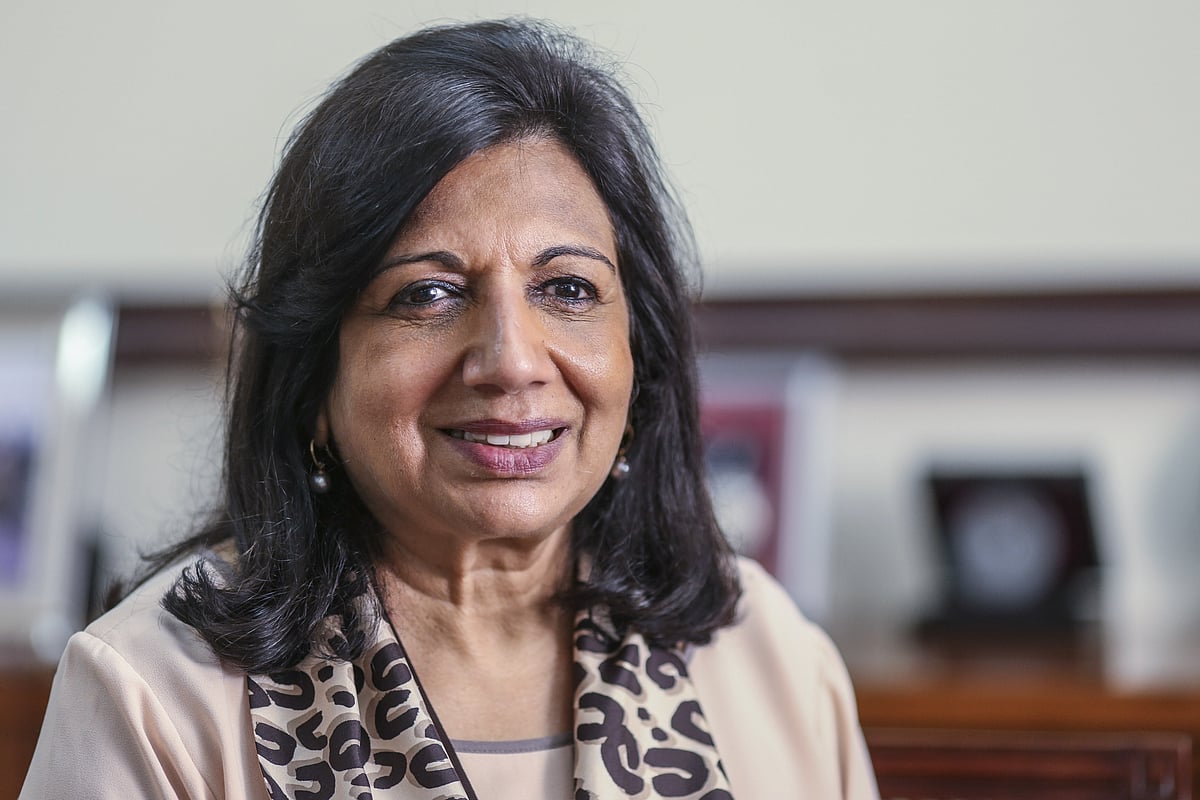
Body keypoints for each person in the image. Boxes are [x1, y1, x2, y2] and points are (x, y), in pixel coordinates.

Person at [22, 18, 878, 800]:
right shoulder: (155, 695)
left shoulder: (767, 657)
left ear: (639, 357)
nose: (511, 361)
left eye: (568, 288)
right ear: (312, 378)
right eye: (427, 294)